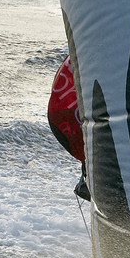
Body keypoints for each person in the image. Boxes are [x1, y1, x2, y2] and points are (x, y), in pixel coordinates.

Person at [47, 57, 90, 200]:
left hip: (57, 112)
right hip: (69, 113)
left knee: (92, 159)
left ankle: (88, 181)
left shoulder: (87, 39)